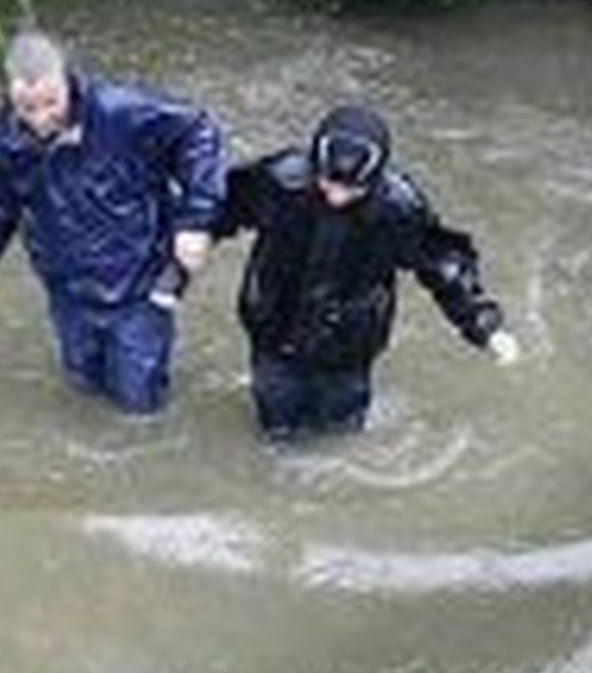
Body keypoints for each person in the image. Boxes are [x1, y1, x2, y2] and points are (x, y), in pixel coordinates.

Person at [0, 29, 224, 414]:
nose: (41, 118)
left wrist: (196, 220)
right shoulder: (4, 141)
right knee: (82, 384)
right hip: (68, 287)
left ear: (66, 80)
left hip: (138, 284)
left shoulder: (119, 112)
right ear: (10, 96)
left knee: (138, 402)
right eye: (27, 107)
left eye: (50, 102)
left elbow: (197, 131)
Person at [214, 104, 518, 439]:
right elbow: (216, 210)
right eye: (328, 182)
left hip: (348, 345)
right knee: (277, 427)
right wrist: (178, 255)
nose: (338, 197)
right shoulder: (277, 181)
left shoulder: (400, 209)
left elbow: (443, 265)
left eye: (353, 189)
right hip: (275, 330)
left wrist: (483, 324)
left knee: (342, 430)